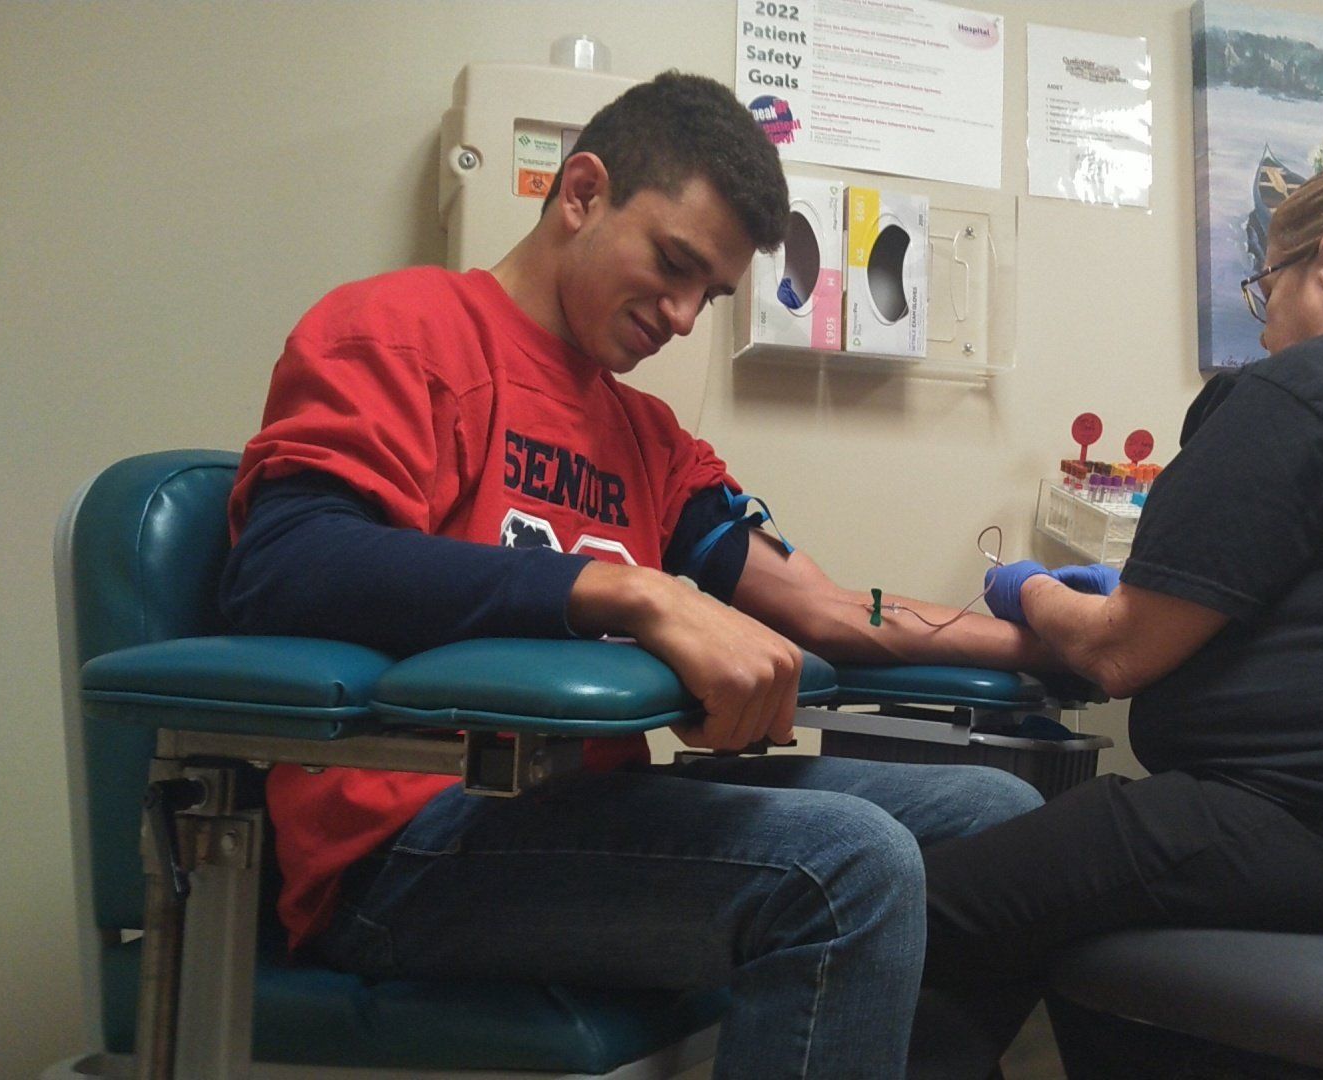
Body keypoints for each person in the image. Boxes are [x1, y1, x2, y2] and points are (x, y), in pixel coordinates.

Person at [219, 71, 1045, 1080]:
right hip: (404, 844)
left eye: (713, 293)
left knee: (999, 827)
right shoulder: (401, 330)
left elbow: (821, 608)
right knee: (849, 869)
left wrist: (1048, 639)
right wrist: (632, 591)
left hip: (578, 815)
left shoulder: (650, 442)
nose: (687, 316)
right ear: (580, 194)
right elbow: (286, 565)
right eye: (674, 263)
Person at [913, 153, 1323, 1077]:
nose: (1264, 336)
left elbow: (1119, 655)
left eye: (1269, 292)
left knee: (909, 907)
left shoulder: (1301, 391)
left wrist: (1029, 588)